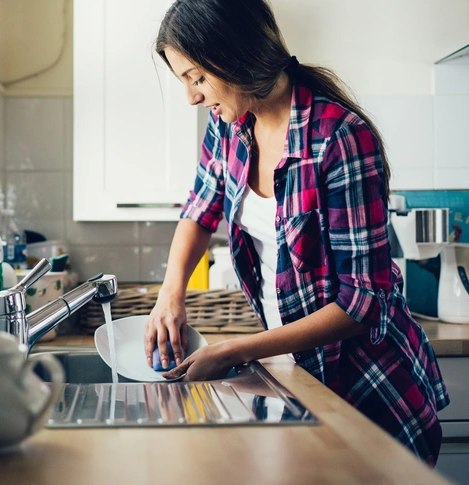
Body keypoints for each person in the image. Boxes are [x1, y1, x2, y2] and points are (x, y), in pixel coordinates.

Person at [143, 0, 449, 466]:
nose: (192, 98)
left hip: (371, 391)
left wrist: (237, 350)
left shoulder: (339, 137)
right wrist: (171, 294)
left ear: (237, 56)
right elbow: (200, 210)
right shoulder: (229, 128)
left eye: (197, 78)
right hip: (299, 376)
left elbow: (362, 303)